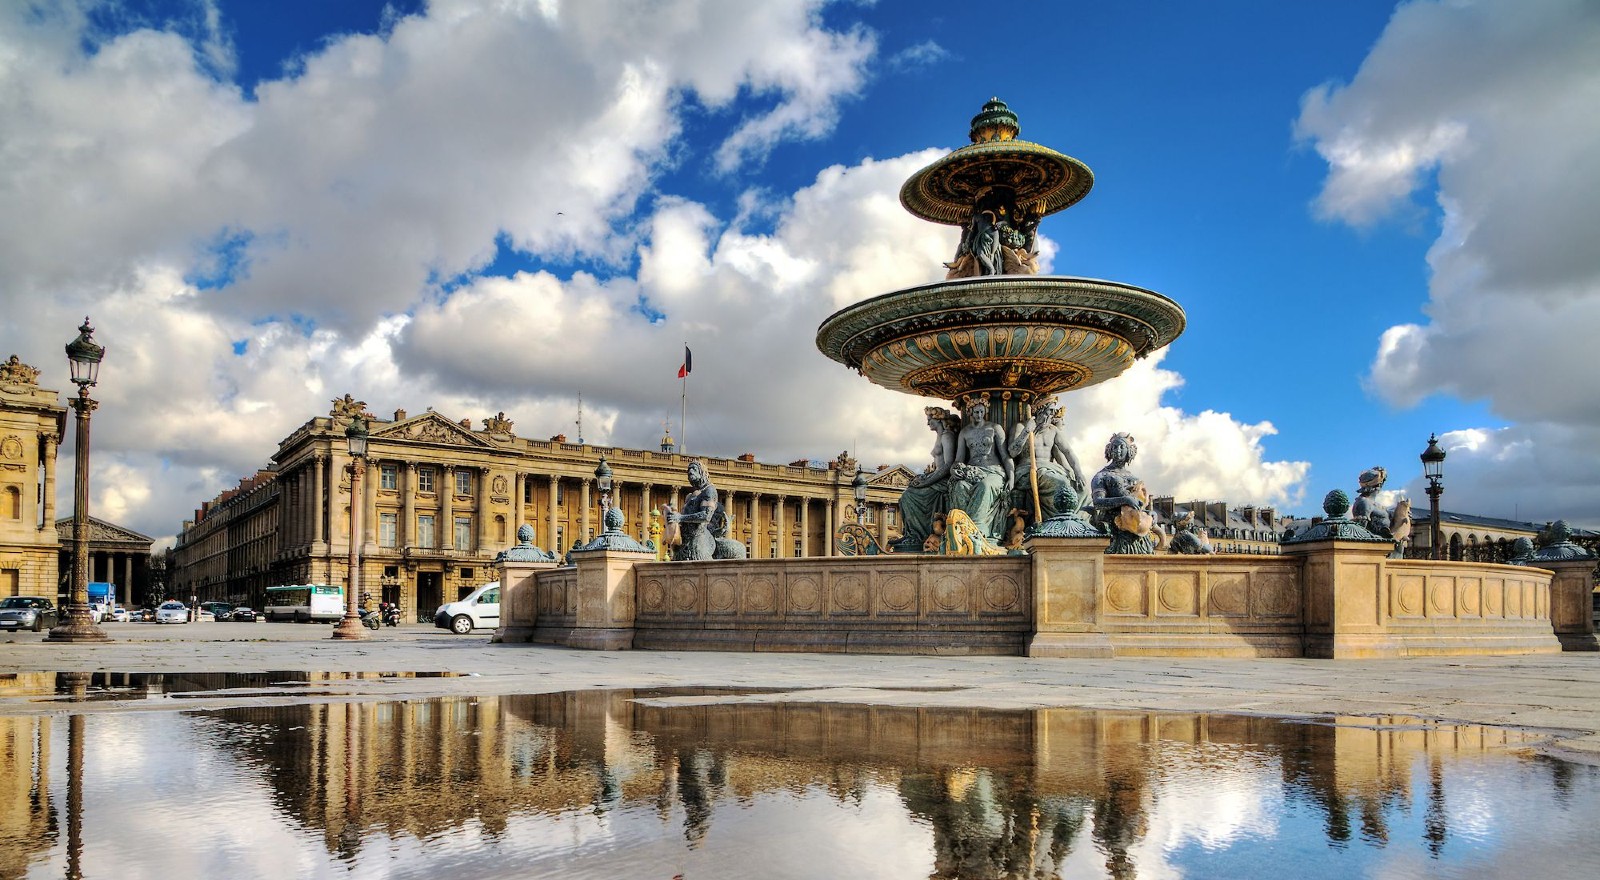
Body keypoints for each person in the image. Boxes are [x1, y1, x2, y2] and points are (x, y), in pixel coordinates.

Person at [1008, 398, 1087, 523]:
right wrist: (1026, 431)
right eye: (1049, 411)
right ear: (1039, 411)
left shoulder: (1053, 430)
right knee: (1061, 484)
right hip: (1027, 470)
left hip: (1050, 469)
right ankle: (1058, 522)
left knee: (1083, 490)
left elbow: (1068, 451)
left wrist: (1078, 473)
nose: (1052, 415)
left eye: (1053, 411)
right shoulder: (1021, 426)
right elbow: (1012, 452)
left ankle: (1078, 524)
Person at [947, 395, 1014, 543]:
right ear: (969, 412)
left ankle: (976, 529)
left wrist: (1011, 477)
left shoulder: (995, 428)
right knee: (959, 487)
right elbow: (958, 459)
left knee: (985, 486)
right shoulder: (965, 432)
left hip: (993, 471)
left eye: (982, 412)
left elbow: (1005, 456)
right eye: (976, 412)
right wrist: (954, 470)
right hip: (972, 471)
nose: (979, 415)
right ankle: (961, 527)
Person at [893, 406, 960, 551]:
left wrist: (927, 481)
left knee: (909, 496)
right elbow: (939, 466)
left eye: (930, 420)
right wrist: (924, 477)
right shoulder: (940, 436)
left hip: (944, 481)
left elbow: (948, 465)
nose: (927, 423)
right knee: (908, 493)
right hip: (937, 477)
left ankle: (916, 536)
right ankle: (912, 534)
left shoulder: (947, 436)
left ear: (938, 419)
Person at [1090, 432, 1156, 554]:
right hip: (1115, 532)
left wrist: (1149, 513)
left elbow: (1139, 505)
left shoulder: (1134, 478)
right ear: (1109, 450)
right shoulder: (1102, 476)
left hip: (1138, 533)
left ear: (1129, 451)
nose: (1118, 450)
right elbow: (1098, 502)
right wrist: (1125, 500)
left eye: (1121, 447)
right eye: (1114, 447)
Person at [670, 460, 718, 561]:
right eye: (689, 470)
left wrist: (681, 517)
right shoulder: (692, 495)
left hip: (698, 543)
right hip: (684, 544)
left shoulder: (709, 490)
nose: (691, 471)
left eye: (694, 469)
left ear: (702, 472)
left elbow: (706, 516)